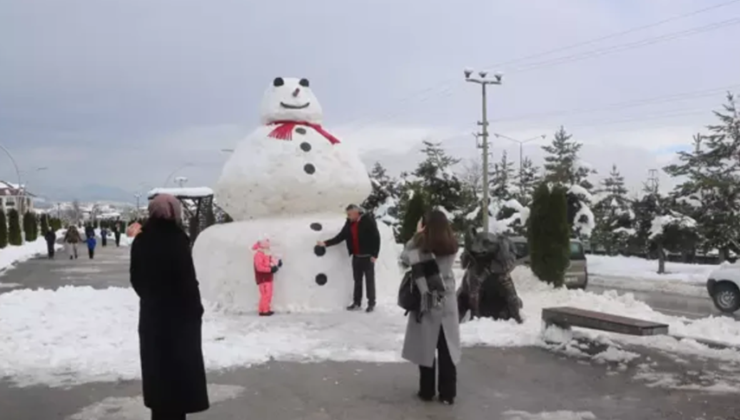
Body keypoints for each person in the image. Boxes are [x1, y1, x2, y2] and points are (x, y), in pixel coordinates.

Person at [130, 194, 209, 420]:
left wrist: (152, 299)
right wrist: (195, 310)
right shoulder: (177, 239)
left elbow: (136, 279)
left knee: (159, 375)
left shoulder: (142, 239)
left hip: (153, 319)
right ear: (174, 212)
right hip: (179, 321)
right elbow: (187, 281)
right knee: (179, 378)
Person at [400, 210, 461, 405]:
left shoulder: (421, 247)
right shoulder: (451, 244)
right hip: (447, 298)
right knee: (447, 347)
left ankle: (426, 390)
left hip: (427, 297)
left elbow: (405, 257)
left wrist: (417, 235)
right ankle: (448, 393)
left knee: (426, 345)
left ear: (425, 226)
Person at [317, 204, 380, 312]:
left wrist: (375, 255)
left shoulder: (368, 220)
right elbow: (341, 236)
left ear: (356, 212)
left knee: (369, 281)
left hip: (368, 257)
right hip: (356, 256)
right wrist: (326, 243)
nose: (348, 216)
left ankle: (371, 303)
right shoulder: (349, 223)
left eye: (350, 214)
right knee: (357, 281)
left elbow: (376, 237)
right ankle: (356, 302)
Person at [252, 238, 282, 316]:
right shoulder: (258, 255)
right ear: (262, 247)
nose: (268, 248)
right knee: (265, 294)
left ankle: (265, 309)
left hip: (268, 277)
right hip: (262, 278)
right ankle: (263, 311)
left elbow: (271, 260)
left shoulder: (266, 253)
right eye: (267, 247)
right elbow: (259, 267)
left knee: (268, 294)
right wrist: (270, 269)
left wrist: (277, 263)